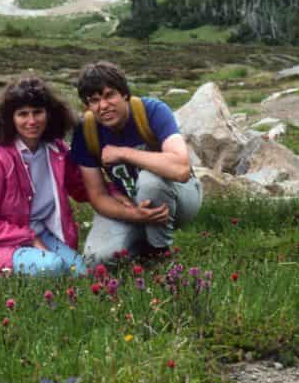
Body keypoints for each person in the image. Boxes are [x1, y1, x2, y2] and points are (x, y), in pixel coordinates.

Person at [0, 77, 88, 276]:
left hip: (37, 232)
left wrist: (121, 196)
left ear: (49, 114)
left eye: (38, 112)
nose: (31, 121)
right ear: (10, 119)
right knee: (52, 267)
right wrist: (29, 238)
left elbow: (81, 187)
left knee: (80, 272)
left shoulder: (56, 150)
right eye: (22, 114)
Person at [70, 61, 202, 263]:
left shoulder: (152, 111)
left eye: (109, 95)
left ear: (124, 93)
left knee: (151, 182)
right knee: (97, 259)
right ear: (87, 106)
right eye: (94, 101)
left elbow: (181, 169)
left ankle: (159, 253)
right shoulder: (85, 131)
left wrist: (123, 153)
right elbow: (97, 195)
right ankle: (140, 240)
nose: (103, 106)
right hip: (130, 202)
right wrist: (133, 215)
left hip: (180, 195)